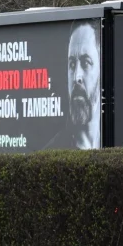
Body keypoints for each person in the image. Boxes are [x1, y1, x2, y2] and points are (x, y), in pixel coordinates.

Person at [45, 19, 101, 150]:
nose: (77, 77)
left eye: (85, 63)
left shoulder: (120, 145)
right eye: (72, 64)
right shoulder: (51, 154)